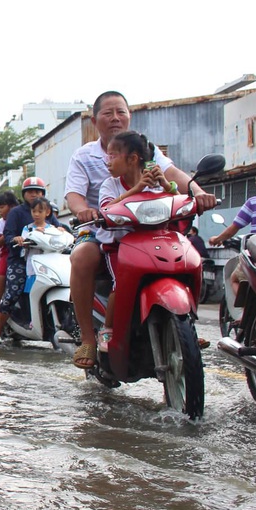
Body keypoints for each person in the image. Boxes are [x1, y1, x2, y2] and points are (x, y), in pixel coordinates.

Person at [66, 90, 216, 368]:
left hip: (149, 228)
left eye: (120, 111)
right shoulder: (84, 156)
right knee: (83, 256)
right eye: (108, 113)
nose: (115, 118)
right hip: (102, 228)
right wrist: (83, 211)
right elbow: (74, 195)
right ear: (95, 119)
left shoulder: (146, 149)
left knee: (188, 254)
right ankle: (88, 337)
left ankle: (187, 323)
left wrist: (198, 193)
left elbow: (175, 179)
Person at [90, 130, 173, 355]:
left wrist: (165, 183)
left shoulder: (154, 181)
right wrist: (137, 190)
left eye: (113, 155)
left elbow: (174, 196)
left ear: (132, 159)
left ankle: (182, 322)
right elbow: (106, 209)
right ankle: (108, 328)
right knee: (122, 283)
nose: (108, 161)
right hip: (119, 247)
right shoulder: (111, 184)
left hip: (153, 242)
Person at [0, 178, 64, 344]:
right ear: (24, 194)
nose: (34, 194)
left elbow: (59, 228)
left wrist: (63, 230)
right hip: (20, 259)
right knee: (12, 292)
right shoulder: (16, 213)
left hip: (46, 259)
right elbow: (7, 235)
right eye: (31, 191)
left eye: (38, 191)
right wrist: (15, 239)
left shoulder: (47, 209)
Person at [209, 167, 256, 298]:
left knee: (234, 279)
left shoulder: (254, 202)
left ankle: (246, 313)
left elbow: (233, 228)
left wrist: (217, 239)